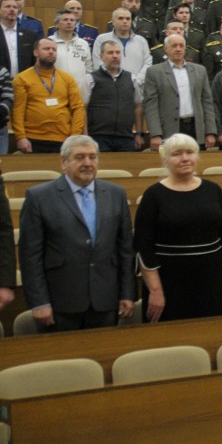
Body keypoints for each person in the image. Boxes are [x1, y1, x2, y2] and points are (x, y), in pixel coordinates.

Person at [18, 135, 135, 331]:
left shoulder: (116, 194)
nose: (88, 163)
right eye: (79, 157)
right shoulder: (39, 197)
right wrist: (39, 302)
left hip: (106, 300)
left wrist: (127, 294)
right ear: (63, 162)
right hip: (59, 303)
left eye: (92, 157)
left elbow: (125, 249)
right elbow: (30, 256)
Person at [135, 134, 222, 322]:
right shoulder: (153, 195)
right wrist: (156, 291)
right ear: (166, 160)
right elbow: (144, 248)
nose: (184, 158)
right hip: (167, 286)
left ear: (197, 156)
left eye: (189, 152)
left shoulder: (213, 190)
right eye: (177, 154)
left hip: (210, 283)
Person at [143, 33, 219, 151]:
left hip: (196, 128)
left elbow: (207, 103)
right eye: (174, 46)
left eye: (181, 46)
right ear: (165, 49)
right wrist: (155, 134)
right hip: (168, 130)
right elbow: (151, 105)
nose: (178, 49)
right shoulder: (154, 72)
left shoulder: (200, 70)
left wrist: (210, 131)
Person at [13, 37, 85, 154]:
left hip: (63, 139)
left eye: (54, 49)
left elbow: (78, 108)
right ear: (35, 52)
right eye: (46, 49)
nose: (51, 52)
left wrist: (74, 136)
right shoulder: (22, 78)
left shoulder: (67, 78)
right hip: (33, 139)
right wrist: (21, 137)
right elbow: (18, 111)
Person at [81, 37, 142, 152]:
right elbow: (82, 108)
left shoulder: (131, 78)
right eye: (110, 53)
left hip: (126, 138)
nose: (115, 56)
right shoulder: (90, 79)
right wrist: (85, 136)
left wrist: (139, 133)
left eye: (118, 52)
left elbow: (138, 106)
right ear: (101, 56)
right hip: (98, 137)